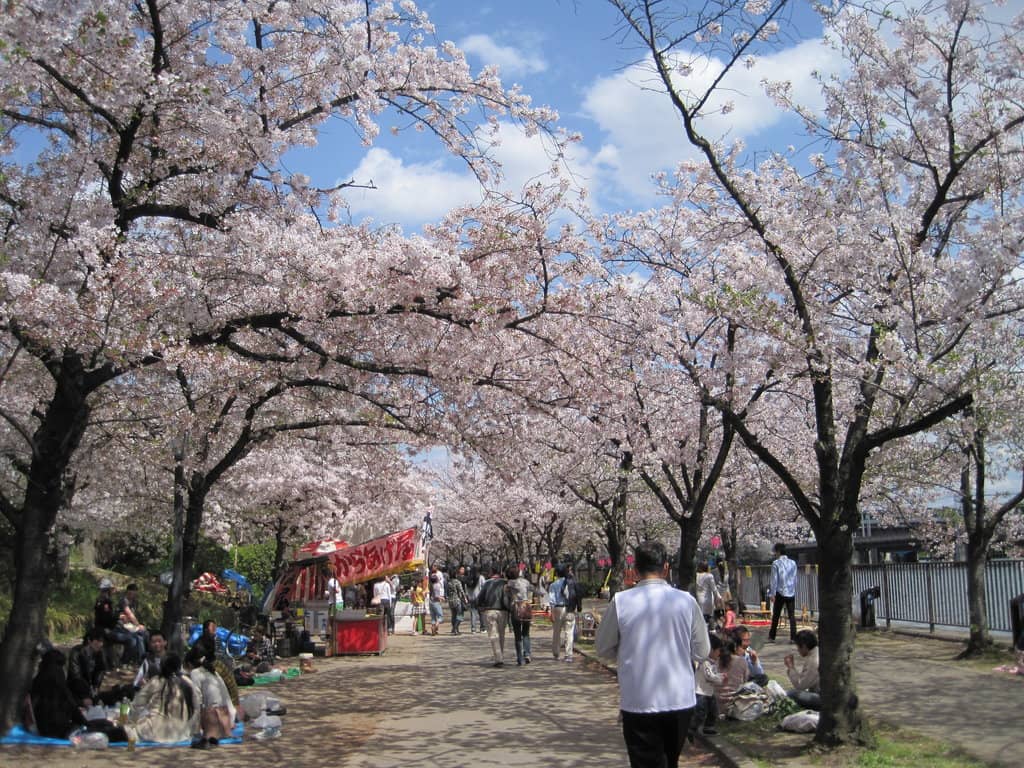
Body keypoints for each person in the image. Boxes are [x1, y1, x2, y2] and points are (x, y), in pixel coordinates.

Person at [595, 540, 711, 768]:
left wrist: (626, 652)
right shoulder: (686, 601)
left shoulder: (621, 601)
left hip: (639, 700)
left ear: (635, 570)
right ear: (666, 568)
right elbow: (702, 651)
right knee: (670, 761)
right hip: (680, 699)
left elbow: (602, 647)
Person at [128, 653, 201, 744]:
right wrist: (190, 729)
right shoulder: (188, 682)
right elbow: (197, 708)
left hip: (153, 732)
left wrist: (131, 723)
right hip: (181, 734)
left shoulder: (156, 681)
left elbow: (137, 705)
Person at [30, 648, 88, 738]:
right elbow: (70, 704)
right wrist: (85, 722)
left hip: (41, 726)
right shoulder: (57, 676)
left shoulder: (38, 679)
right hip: (57, 728)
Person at [186, 649, 236, 745]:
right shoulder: (213, 672)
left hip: (215, 717)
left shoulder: (195, 673)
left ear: (189, 664)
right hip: (227, 719)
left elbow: (196, 700)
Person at [94, 577, 145, 666]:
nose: (114, 591)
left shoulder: (107, 601)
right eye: (111, 589)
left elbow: (109, 616)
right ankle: (124, 662)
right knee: (131, 639)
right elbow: (106, 619)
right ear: (107, 590)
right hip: (106, 630)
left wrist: (118, 617)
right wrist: (119, 617)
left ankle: (136, 660)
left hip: (112, 629)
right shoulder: (104, 602)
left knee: (136, 636)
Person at [689, 634, 724, 742]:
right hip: (701, 692)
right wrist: (721, 679)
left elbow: (715, 674)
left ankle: (709, 727)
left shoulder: (713, 663)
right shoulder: (705, 663)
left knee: (713, 710)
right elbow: (710, 676)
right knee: (700, 712)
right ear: (711, 650)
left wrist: (720, 676)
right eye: (718, 650)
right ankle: (691, 728)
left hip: (709, 692)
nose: (720, 653)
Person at [476, 564, 510, 667]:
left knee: (494, 635)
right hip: (503, 611)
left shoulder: (487, 583)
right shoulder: (505, 583)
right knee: (501, 634)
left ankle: (498, 659)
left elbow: (480, 598)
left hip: (489, 610)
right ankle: (500, 656)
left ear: (491, 572)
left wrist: (479, 606)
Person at [67, 627, 107, 707]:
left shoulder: (100, 652)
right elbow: (76, 675)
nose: (100, 644)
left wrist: (96, 686)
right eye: (98, 641)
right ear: (89, 640)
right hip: (75, 688)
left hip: (90, 688)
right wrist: (85, 695)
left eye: (102, 641)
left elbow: (101, 670)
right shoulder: (76, 652)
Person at [505, 564, 535, 665]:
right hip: (526, 607)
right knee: (526, 633)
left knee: (517, 635)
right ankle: (527, 654)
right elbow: (533, 589)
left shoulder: (509, 584)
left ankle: (520, 658)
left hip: (516, 608)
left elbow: (506, 595)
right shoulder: (525, 582)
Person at [768, 542, 798, 643]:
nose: (775, 553)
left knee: (776, 615)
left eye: (775, 551)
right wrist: (793, 589)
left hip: (780, 592)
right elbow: (795, 578)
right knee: (792, 616)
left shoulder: (776, 563)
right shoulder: (793, 563)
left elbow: (774, 580)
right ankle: (793, 637)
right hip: (791, 592)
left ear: (778, 551)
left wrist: (772, 594)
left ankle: (772, 637)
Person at [784, 629, 821, 710]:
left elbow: (800, 686)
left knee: (790, 693)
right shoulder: (817, 652)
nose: (798, 650)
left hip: (823, 699)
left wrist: (791, 667)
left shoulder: (813, 660)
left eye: (798, 646)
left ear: (804, 646)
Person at [714, 638, 750, 716]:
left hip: (716, 704)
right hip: (735, 703)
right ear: (735, 647)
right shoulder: (741, 661)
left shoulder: (715, 661)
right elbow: (745, 681)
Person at [447, 567, 469, 635]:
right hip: (457, 600)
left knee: (453, 615)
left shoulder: (449, 582)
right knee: (460, 615)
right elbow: (461, 591)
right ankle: (455, 628)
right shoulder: (457, 582)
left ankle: (454, 629)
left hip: (450, 600)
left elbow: (447, 592)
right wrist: (465, 598)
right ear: (455, 575)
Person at [467, 567, 485, 633]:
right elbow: (484, 587)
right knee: (481, 614)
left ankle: (473, 629)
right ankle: (482, 628)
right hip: (479, 597)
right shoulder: (481, 577)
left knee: (473, 614)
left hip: (471, 598)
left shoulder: (468, 578)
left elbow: (467, 589)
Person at [428, 566, 445, 636]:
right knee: (440, 616)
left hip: (430, 602)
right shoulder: (437, 585)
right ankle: (436, 626)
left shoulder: (430, 585)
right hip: (436, 602)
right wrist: (442, 598)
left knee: (433, 617)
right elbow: (437, 595)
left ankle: (433, 627)